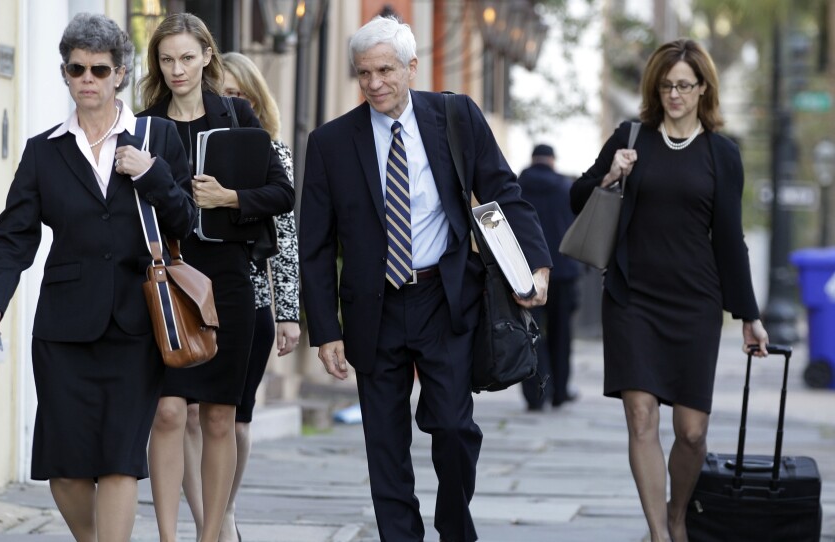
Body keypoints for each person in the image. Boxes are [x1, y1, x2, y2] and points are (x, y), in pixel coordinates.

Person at [299, 15, 552, 542]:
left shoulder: (455, 117)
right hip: (374, 307)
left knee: (455, 428)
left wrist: (536, 265)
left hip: (445, 296)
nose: (374, 84)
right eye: (363, 73)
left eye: (385, 70)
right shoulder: (330, 142)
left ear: (412, 68)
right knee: (384, 442)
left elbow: (503, 190)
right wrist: (325, 329)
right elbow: (316, 246)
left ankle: (455, 528)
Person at [0, 13, 196, 542]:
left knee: (120, 459)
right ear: (66, 74)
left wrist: (151, 172)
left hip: (136, 324)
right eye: (78, 70)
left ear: (120, 73)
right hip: (65, 329)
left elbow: (187, 218)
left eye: (100, 69)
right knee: (66, 468)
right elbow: (14, 233)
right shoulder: (43, 150)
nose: (88, 80)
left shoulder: (155, 135)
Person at [570, 38, 769, 542]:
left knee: (692, 432)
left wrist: (748, 315)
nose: (674, 94)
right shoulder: (631, 135)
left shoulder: (721, 154)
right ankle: (661, 534)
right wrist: (611, 174)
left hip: (695, 302)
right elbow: (578, 198)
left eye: (684, 85)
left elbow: (730, 238)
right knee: (641, 417)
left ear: (704, 88)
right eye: (666, 85)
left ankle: (678, 513)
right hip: (633, 297)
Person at [137, 13, 294, 542]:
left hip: (228, 276)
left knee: (222, 417)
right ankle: (166, 535)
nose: (176, 69)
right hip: (168, 277)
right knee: (167, 411)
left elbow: (282, 191)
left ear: (207, 55)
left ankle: (211, 535)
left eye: (186, 57)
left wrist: (230, 198)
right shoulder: (144, 124)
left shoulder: (238, 114)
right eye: (166, 59)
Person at [176, 51, 301, 542]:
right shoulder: (184, 144)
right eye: (217, 94)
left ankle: (224, 512)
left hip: (247, 301)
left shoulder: (273, 152)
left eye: (235, 96)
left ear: (252, 101)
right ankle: (204, 518)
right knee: (182, 413)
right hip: (189, 298)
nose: (225, 104)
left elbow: (287, 239)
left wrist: (289, 313)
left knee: (234, 418)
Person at [518, 144, 580, 411]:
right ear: (553, 160)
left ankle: (535, 395)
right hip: (562, 272)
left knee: (529, 335)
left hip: (524, 273)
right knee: (561, 334)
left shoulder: (517, 187)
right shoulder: (566, 188)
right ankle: (560, 391)